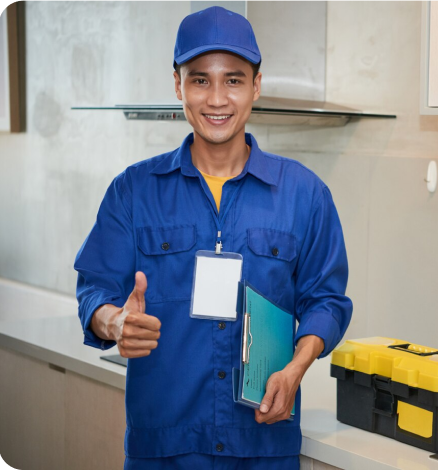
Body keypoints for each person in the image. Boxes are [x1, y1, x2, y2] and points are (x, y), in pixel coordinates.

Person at [74, 6, 352, 469]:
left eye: (234, 80)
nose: (217, 99)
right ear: (178, 85)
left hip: (264, 446)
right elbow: (94, 291)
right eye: (200, 80)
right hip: (163, 450)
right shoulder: (133, 191)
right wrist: (113, 322)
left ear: (256, 86)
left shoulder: (306, 195)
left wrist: (296, 367)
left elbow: (327, 300)